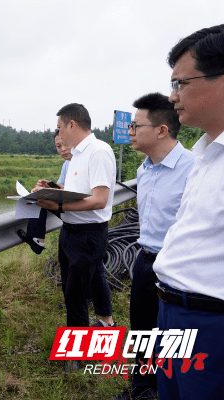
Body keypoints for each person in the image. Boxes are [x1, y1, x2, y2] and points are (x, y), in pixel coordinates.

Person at [151, 24, 224, 399]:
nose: (173, 95)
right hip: (172, 313)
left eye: (182, 83)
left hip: (210, 322)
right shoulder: (204, 154)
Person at [112, 93, 194, 400]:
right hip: (144, 260)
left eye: (136, 126)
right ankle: (141, 389)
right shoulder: (144, 169)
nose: (130, 132)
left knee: (171, 337)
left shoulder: (192, 168)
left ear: (161, 130)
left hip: (175, 265)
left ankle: (165, 390)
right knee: (143, 331)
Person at [35, 103, 116, 372]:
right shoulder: (77, 157)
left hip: (88, 235)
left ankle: (80, 357)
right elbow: (76, 191)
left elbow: (99, 199)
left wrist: (58, 206)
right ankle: (79, 352)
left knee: (77, 295)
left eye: (60, 127)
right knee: (71, 293)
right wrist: (54, 189)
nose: (59, 135)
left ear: (72, 125)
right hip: (70, 232)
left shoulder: (99, 151)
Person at [17, 130, 71, 254]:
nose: (62, 149)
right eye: (58, 146)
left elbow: (76, 191)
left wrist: (51, 190)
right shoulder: (66, 164)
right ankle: (38, 241)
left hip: (75, 207)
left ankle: (38, 240)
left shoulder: (82, 161)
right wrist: (48, 187)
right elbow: (61, 187)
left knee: (41, 199)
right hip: (66, 202)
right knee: (39, 195)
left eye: (65, 144)